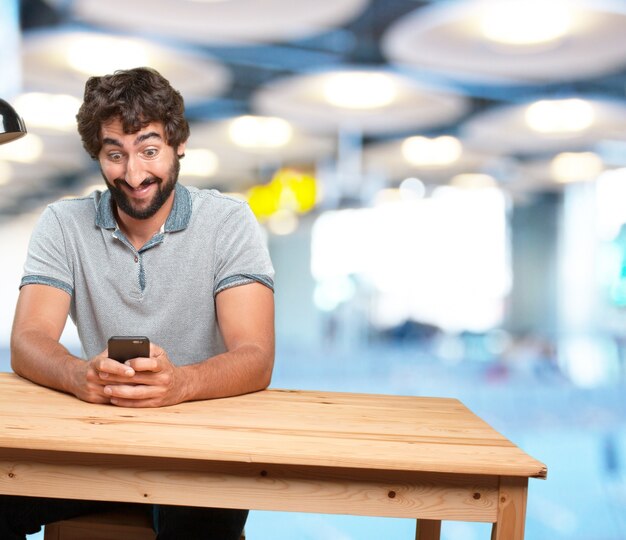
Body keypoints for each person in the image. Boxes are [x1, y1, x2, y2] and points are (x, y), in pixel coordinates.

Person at [2, 67, 275, 540]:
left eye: (150, 150)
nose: (133, 174)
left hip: (198, 452)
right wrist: (78, 374)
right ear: (98, 156)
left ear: (178, 145)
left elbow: (256, 356)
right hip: (94, 443)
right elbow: (27, 340)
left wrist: (181, 383)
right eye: (115, 155)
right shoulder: (63, 224)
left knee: (202, 526)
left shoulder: (229, 221)